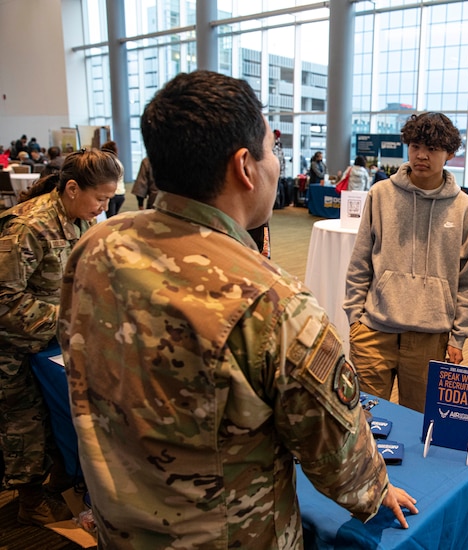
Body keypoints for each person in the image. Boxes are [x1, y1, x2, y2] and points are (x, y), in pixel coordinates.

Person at [58, 70, 417, 549]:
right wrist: (374, 490)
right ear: (245, 166)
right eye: (273, 150)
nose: (277, 164)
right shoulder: (275, 303)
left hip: (117, 527)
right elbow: (337, 456)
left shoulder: (98, 245)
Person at [0, 149, 120, 526]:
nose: (102, 208)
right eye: (99, 198)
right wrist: (68, 318)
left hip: (54, 340)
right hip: (15, 346)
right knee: (25, 421)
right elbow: (4, 297)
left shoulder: (77, 217)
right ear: (71, 188)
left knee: (58, 413)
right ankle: (29, 498)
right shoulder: (28, 226)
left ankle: (59, 478)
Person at [344, 112, 468, 413]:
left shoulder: (464, 209)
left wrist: (458, 338)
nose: (422, 155)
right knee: (365, 422)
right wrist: (355, 319)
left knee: (419, 425)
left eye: (432, 148)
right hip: (374, 331)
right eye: (416, 145)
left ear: (450, 153)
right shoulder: (380, 194)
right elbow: (360, 262)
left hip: (430, 337)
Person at [101, 140, 126, 217]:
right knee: (113, 217)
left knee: (110, 220)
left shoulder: (108, 163)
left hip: (112, 195)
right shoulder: (118, 162)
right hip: (121, 193)